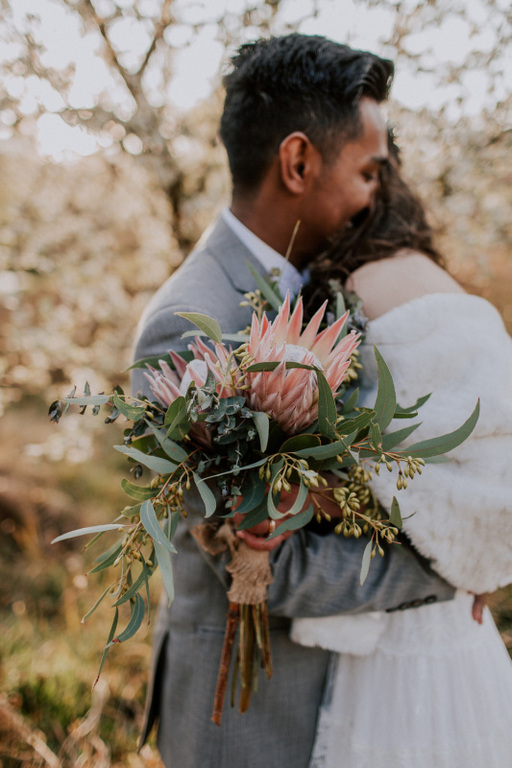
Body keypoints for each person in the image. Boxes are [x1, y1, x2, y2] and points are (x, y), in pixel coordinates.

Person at [131, 35, 456, 768]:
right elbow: (266, 571)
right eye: (370, 171)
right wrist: (445, 571)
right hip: (243, 716)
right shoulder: (187, 326)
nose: (379, 194)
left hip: (334, 695)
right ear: (299, 162)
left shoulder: (326, 286)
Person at [290, 138, 512, 767]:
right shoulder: (452, 289)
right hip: (464, 634)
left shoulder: (341, 293)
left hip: (385, 634)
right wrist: (477, 562)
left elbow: (335, 459)